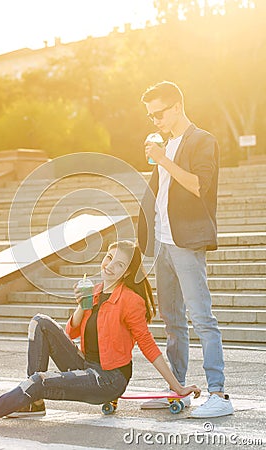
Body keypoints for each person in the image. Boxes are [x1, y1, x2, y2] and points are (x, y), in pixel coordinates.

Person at [0, 240, 200, 428]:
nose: (109, 266)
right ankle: (34, 403)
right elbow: (69, 333)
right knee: (39, 322)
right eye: (109, 258)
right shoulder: (94, 291)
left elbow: (147, 345)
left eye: (118, 265)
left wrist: (177, 387)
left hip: (107, 379)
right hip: (86, 364)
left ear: (126, 272)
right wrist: (81, 304)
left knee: (40, 379)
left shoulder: (130, 301)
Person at [138, 81, 233, 418]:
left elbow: (197, 185)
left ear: (177, 106)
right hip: (164, 242)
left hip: (187, 242)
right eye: (151, 117)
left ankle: (218, 393)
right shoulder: (165, 144)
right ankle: (177, 389)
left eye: (159, 114)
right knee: (172, 321)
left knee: (202, 318)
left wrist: (163, 158)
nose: (156, 121)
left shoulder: (202, 140)